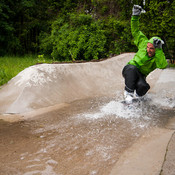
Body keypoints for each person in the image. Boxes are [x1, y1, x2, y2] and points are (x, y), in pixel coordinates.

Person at [122, 5, 168, 104]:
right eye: (147, 47)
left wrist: (159, 50)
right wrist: (135, 16)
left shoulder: (157, 57)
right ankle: (128, 94)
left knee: (144, 86)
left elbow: (163, 65)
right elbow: (135, 31)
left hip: (141, 75)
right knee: (132, 69)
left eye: (151, 49)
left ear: (156, 49)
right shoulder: (143, 42)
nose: (148, 50)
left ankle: (137, 99)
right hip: (129, 69)